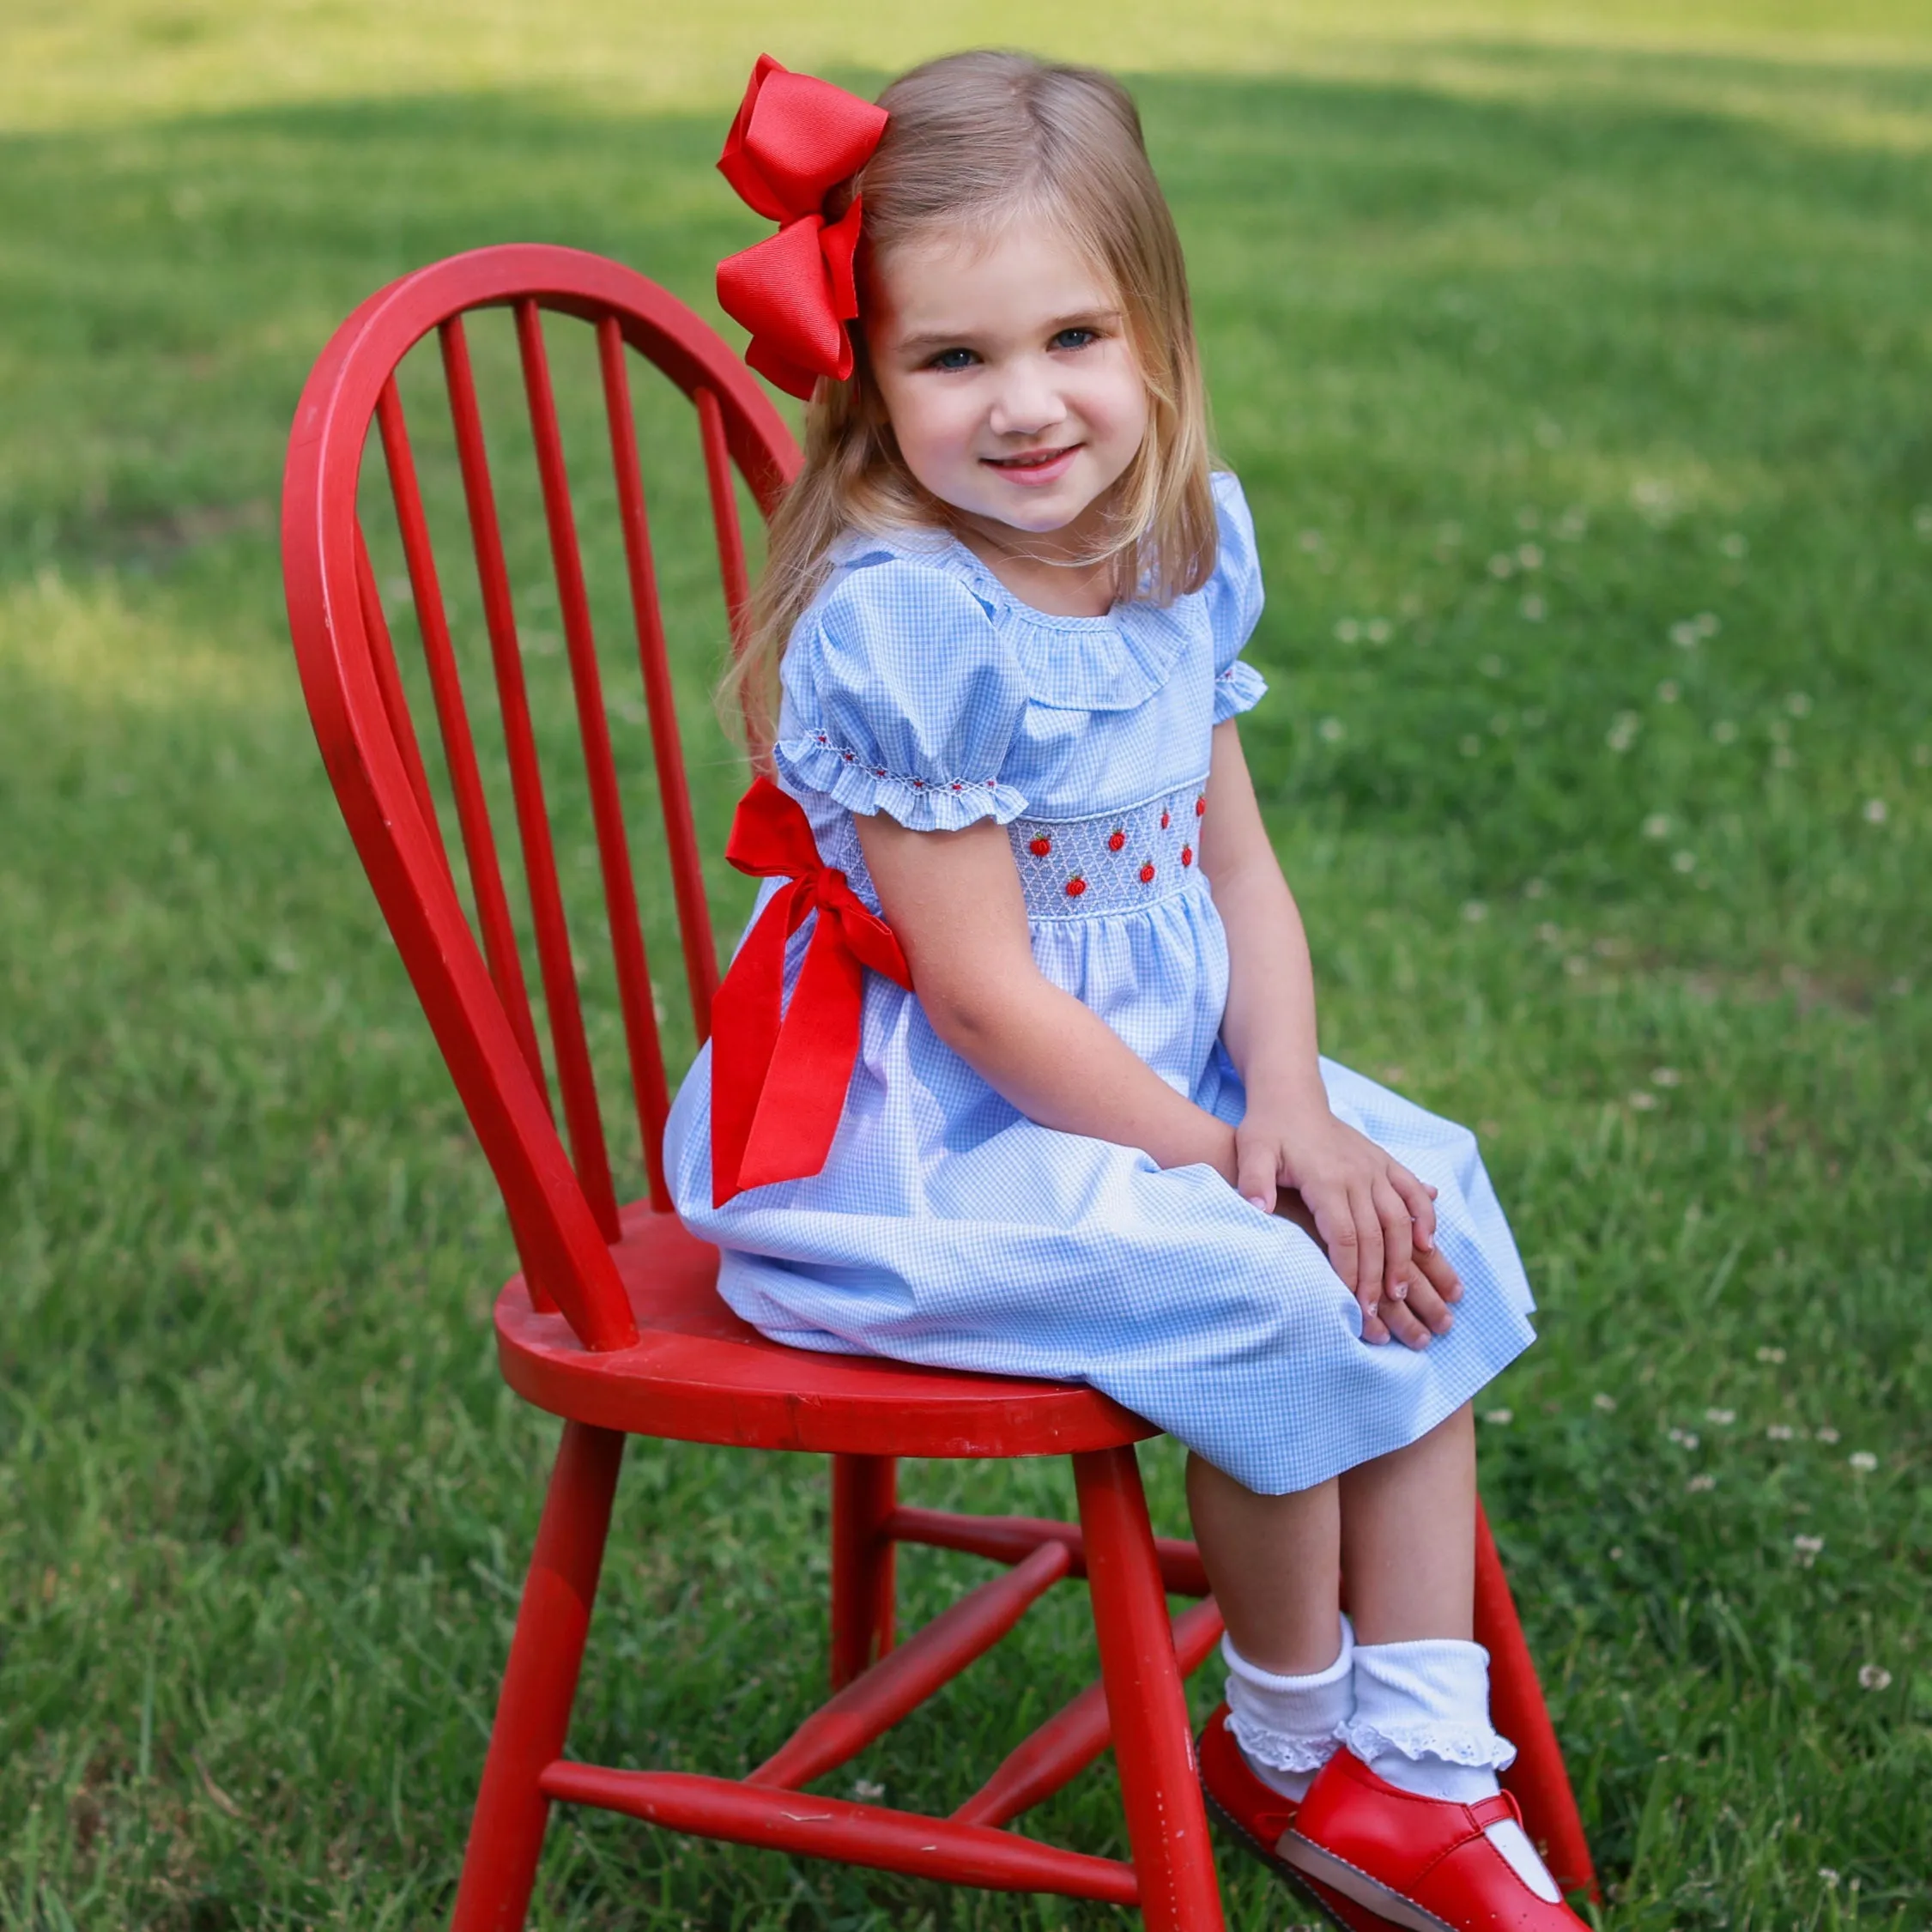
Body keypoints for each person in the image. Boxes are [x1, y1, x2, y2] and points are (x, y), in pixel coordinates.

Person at [666, 48, 1584, 1930]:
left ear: (1156, 326)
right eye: (953, 359)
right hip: (926, 1146)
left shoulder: (1175, 547)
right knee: (1282, 1280)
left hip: (1145, 1087)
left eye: (1076, 334)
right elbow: (989, 1003)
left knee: (1428, 1201)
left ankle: (1419, 1766)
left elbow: (1238, 867)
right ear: (864, 373)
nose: (1027, 406)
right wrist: (1239, 1161)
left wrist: (1302, 1107)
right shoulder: (909, 618)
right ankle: (1284, 1729)